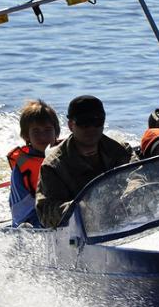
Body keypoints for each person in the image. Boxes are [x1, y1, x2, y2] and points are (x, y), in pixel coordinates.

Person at [35, 95, 137, 228]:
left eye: (98, 121)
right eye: (84, 122)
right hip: (82, 232)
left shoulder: (121, 150)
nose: (91, 128)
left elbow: (138, 175)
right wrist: (82, 209)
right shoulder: (54, 166)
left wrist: (131, 194)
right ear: (71, 125)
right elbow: (46, 213)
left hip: (128, 222)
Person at [7, 100, 60, 227]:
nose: (43, 136)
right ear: (26, 136)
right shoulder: (22, 165)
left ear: (56, 132)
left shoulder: (67, 154)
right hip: (34, 220)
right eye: (36, 131)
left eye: (48, 130)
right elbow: (21, 212)